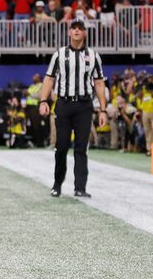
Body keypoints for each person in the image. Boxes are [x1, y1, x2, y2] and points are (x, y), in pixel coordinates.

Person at [38, 18, 108, 198]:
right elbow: (49, 78)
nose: (77, 31)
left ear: (85, 33)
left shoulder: (93, 56)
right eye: (74, 28)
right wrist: (43, 100)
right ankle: (57, 184)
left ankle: (80, 187)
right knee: (61, 146)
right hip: (64, 103)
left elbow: (99, 83)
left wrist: (103, 110)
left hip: (84, 105)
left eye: (80, 28)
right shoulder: (59, 54)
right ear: (69, 32)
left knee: (81, 147)